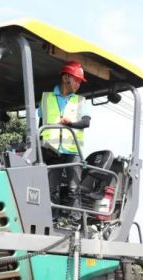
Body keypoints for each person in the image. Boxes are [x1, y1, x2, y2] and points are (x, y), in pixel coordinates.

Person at [39, 60, 91, 225]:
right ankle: (52, 219)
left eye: (80, 81)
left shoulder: (81, 101)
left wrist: (71, 124)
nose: (78, 84)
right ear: (66, 78)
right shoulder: (46, 98)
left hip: (72, 150)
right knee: (51, 188)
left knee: (73, 188)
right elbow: (41, 122)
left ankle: (74, 221)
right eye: (76, 79)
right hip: (52, 150)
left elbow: (86, 122)